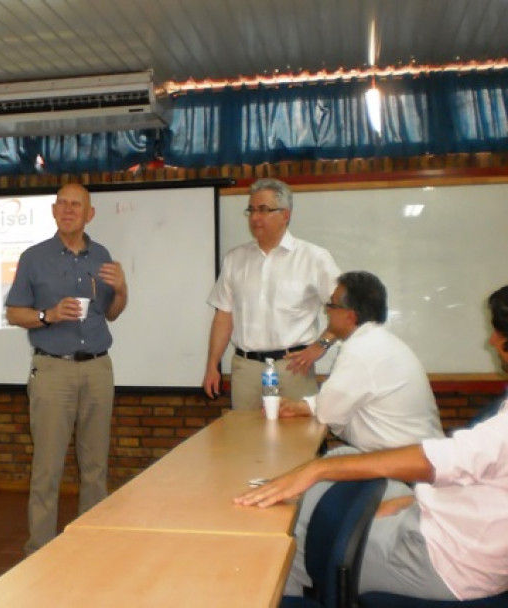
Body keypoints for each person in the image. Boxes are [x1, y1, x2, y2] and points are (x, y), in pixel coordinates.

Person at [235, 285, 508, 602]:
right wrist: (412, 504)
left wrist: (316, 469)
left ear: (348, 314)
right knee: (337, 469)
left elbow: (444, 459)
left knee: (296, 530)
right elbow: (486, 476)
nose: (490, 340)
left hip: (438, 561)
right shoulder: (378, 342)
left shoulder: (364, 349)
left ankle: (291, 598)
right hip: (441, 519)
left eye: (498, 333)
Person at [5, 182, 128, 554]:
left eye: (77, 205)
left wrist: (123, 290)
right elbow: (14, 313)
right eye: (62, 204)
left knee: (95, 467)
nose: (69, 210)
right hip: (53, 370)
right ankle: (40, 551)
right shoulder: (34, 257)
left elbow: (112, 312)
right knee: (47, 469)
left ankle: (90, 546)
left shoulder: (102, 255)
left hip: (97, 369)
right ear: (54, 211)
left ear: (90, 214)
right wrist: (48, 315)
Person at [203, 178, 341, 410]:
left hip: (294, 368)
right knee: (246, 441)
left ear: (285, 215)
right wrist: (212, 365)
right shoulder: (235, 259)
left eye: (264, 210)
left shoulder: (313, 257)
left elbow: (345, 309)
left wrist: (321, 345)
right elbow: (223, 316)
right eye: (252, 210)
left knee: (298, 441)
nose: (255, 217)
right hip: (246, 369)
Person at [278, 271, 444, 452]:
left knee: (316, 469)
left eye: (331, 305)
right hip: (412, 455)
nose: (327, 311)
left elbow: (327, 413)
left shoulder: (360, 351)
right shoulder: (378, 341)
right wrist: (303, 407)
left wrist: (306, 407)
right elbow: (339, 400)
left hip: (402, 465)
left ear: (350, 316)